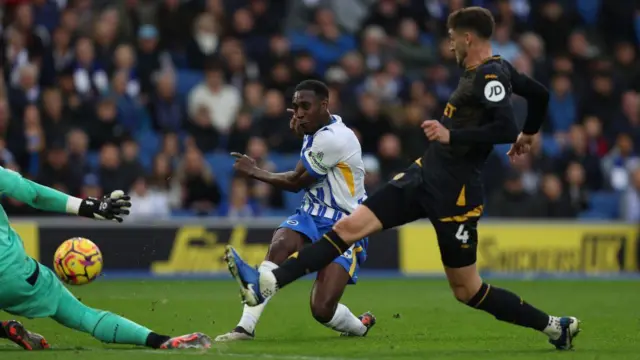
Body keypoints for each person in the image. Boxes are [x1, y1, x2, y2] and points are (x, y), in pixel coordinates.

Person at [224, 7, 581, 350]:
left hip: (455, 195)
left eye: (453, 38)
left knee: (467, 290)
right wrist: (531, 132)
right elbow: (539, 94)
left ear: (468, 38)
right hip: (422, 175)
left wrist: (452, 135)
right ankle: (265, 284)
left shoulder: (490, 75)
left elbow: (504, 125)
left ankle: (554, 327)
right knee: (350, 227)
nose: (449, 45)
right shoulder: (489, 71)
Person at [217, 80, 375, 341]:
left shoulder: (335, 138)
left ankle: (360, 326)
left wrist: (254, 171)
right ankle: (245, 327)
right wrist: (303, 132)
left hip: (345, 223)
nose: (299, 113)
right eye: (295, 107)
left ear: (324, 105)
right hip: (311, 213)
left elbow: (295, 182)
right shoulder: (316, 129)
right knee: (280, 245)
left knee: (321, 309)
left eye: (305, 106)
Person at [0, 167, 211, 350]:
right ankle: (159, 340)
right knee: (83, 316)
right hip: (17, 275)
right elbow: (33, 194)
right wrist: (90, 207)